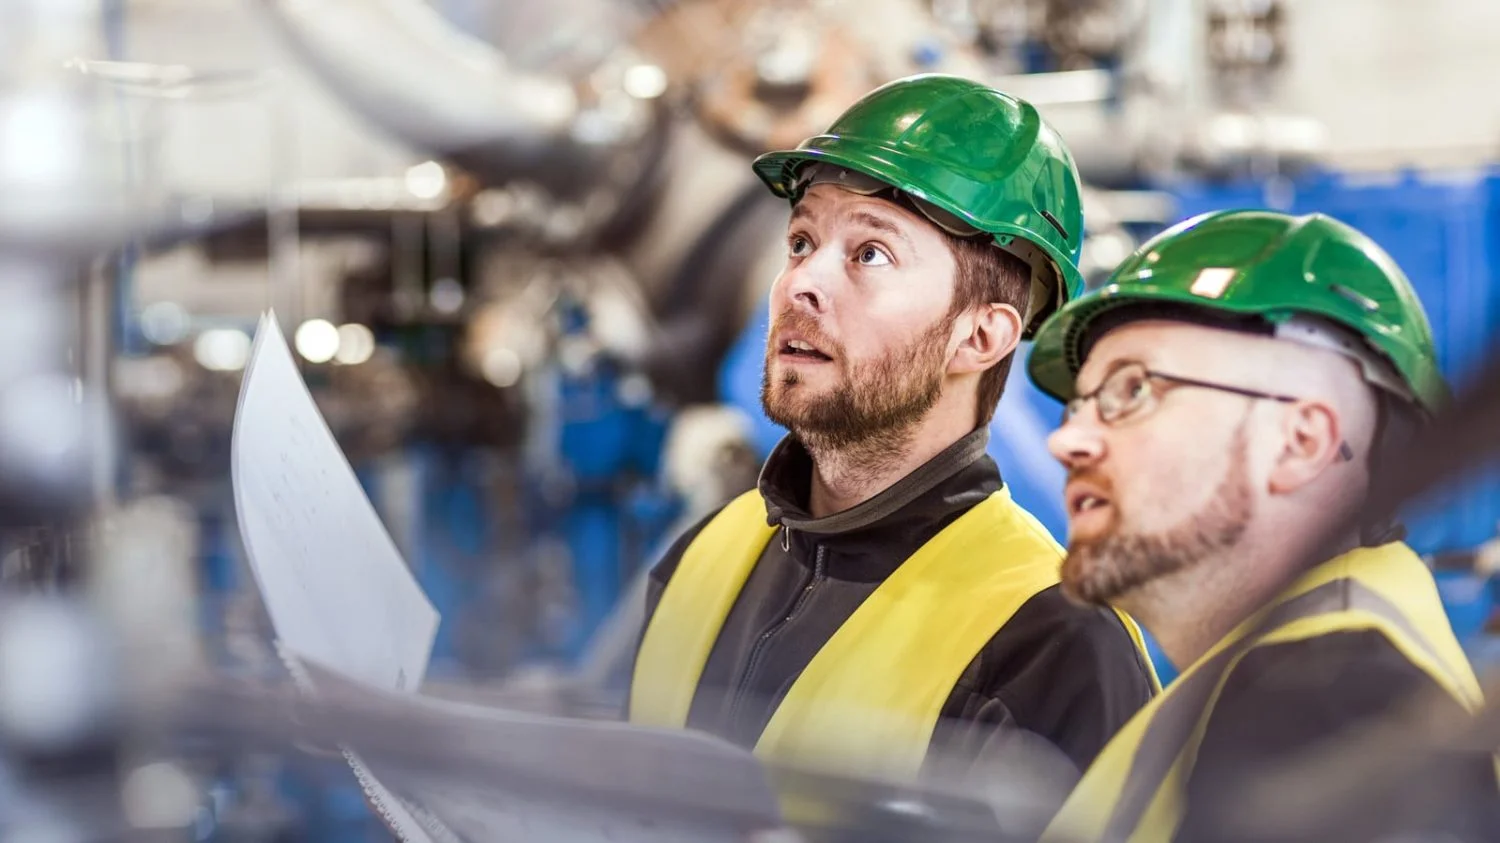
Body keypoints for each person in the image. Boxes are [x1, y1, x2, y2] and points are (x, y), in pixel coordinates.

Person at [627, 73, 1158, 807]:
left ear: (980, 335)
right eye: (802, 240)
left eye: (869, 254)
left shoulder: (1054, 643)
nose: (800, 283)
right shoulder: (702, 555)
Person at [1029, 209, 1498, 842]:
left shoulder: (1333, 704)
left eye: (1133, 389)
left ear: (1300, 441)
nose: (1068, 440)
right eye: (1077, 405)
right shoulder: (1269, 677)